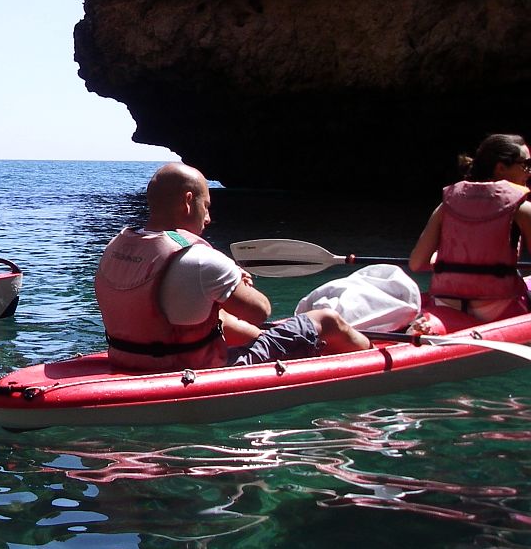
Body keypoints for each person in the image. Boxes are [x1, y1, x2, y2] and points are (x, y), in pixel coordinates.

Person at [94, 162, 369, 372]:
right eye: (207, 206)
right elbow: (260, 311)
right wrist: (237, 278)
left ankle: (291, 344)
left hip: (130, 360)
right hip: (196, 368)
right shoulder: (204, 260)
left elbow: (191, 315)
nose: (209, 218)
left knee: (224, 319)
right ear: (189, 202)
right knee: (326, 320)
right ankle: (374, 362)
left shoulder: (114, 248)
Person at [408, 133, 531, 322]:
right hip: (498, 305)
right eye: (525, 165)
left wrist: (441, 260)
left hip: (447, 302)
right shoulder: (522, 208)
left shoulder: (447, 203)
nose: (529, 172)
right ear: (501, 168)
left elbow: (416, 263)